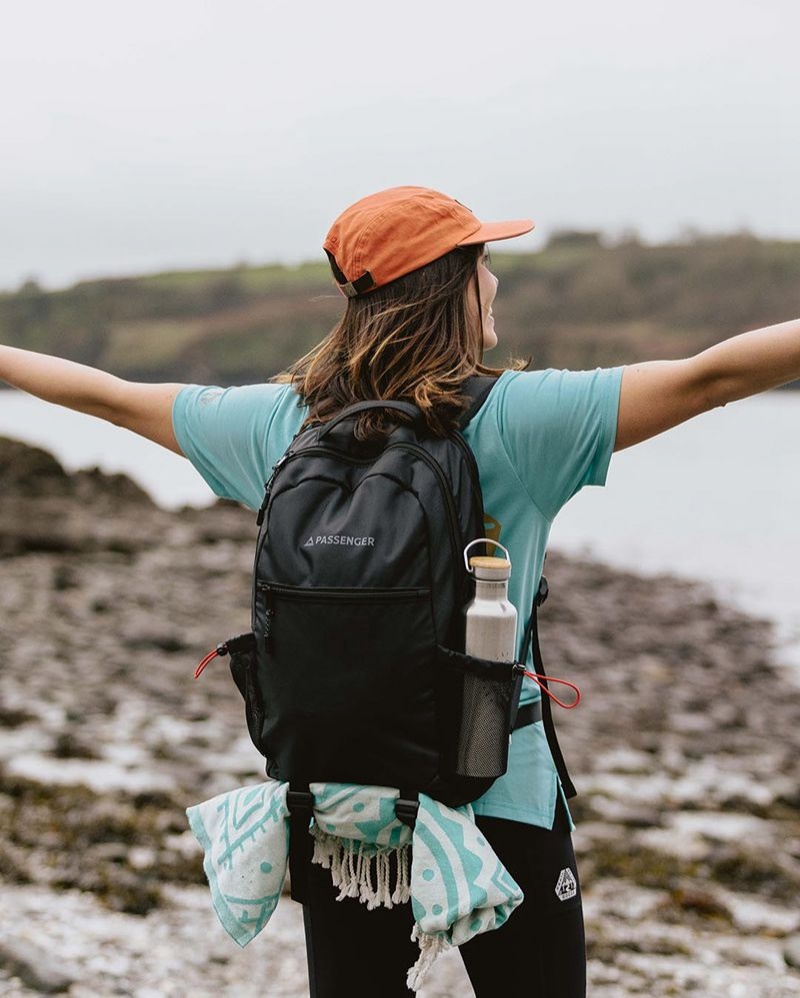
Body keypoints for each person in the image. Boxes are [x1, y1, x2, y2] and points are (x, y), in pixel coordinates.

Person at [1, 184, 799, 997]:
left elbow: (109, 397)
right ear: (449, 284)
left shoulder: (284, 427)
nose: (495, 281)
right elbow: (711, 379)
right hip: (498, 795)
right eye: (483, 263)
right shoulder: (520, 422)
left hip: (347, 809)